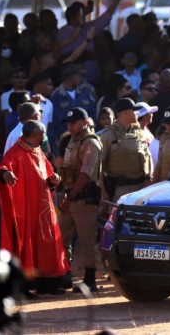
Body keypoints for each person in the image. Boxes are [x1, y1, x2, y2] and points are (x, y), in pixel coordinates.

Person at [0, 120, 70, 296]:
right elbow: (2, 167)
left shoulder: (38, 151)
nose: (44, 137)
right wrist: (5, 174)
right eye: (42, 133)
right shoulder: (16, 152)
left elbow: (47, 174)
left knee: (46, 246)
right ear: (34, 135)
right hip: (27, 211)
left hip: (43, 210)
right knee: (27, 246)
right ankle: (24, 287)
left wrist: (53, 180)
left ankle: (47, 284)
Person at [56, 107, 102, 293]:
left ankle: (90, 279)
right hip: (70, 197)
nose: (70, 126)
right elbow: (64, 170)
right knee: (61, 236)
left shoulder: (90, 143)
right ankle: (64, 274)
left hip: (84, 199)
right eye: (68, 123)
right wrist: (63, 194)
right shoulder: (71, 141)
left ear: (83, 123)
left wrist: (71, 196)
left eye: (73, 122)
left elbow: (85, 174)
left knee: (86, 240)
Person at [98, 98, 153, 202]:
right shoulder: (108, 135)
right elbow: (98, 167)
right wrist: (103, 191)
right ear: (126, 112)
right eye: (134, 111)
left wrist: (149, 179)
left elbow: (148, 157)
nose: (138, 113)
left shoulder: (139, 133)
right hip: (119, 190)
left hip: (141, 187)